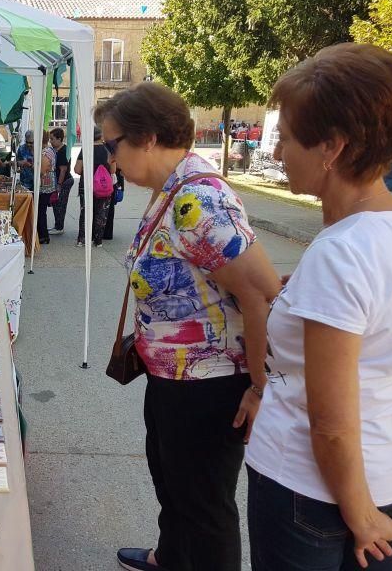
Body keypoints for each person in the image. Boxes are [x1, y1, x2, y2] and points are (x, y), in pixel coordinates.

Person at [94, 83, 280, 571]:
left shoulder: (196, 199)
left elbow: (260, 292)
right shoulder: (170, 191)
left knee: (204, 507)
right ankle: (171, 557)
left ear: (148, 138)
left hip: (209, 387)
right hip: (175, 381)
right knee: (174, 485)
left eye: (112, 144)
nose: (108, 156)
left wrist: (261, 387)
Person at [245, 43, 392, 571]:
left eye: (286, 139)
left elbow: (330, 420)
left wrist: (359, 515)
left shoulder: (343, 252)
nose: (277, 153)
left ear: (331, 147)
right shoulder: (383, 231)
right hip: (383, 476)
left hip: (314, 492)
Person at [75, 126, 115, 247]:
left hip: (86, 185)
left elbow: (77, 169)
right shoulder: (108, 149)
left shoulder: (86, 149)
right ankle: (98, 240)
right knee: (101, 214)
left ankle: (82, 239)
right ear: (101, 136)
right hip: (103, 186)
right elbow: (113, 170)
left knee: (85, 212)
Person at [48, 127, 74, 235]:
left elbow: (63, 170)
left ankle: (59, 227)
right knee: (55, 203)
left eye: (52, 139)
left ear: (59, 139)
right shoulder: (56, 150)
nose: (51, 141)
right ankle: (57, 225)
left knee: (61, 204)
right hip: (59, 180)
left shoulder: (63, 151)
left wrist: (59, 184)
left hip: (64, 181)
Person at [37, 131, 56, 244]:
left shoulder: (45, 152)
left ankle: (43, 235)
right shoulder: (49, 150)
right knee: (41, 210)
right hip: (48, 183)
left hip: (45, 184)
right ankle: (43, 235)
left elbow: (42, 170)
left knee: (40, 210)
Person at [102, 168, 124, 240]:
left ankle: (97, 231)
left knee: (105, 205)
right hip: (112, 180)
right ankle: (107, 232)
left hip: (106, 179)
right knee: (110, 206)